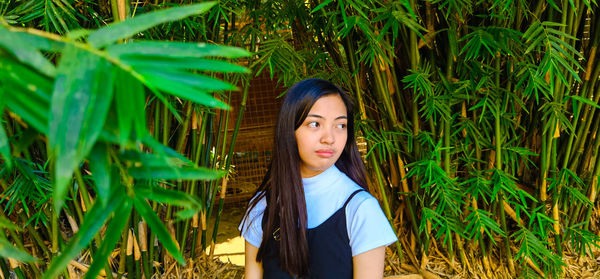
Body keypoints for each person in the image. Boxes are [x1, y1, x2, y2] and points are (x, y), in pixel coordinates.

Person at [239, 79, 397, 278]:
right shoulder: (262, 206)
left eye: (340, 125)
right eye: (315, 124)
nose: (329, 138)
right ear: (289, 130)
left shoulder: (361, 209)